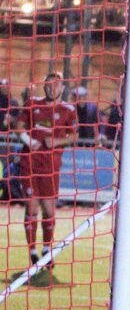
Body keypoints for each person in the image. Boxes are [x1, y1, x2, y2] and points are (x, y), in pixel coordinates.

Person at [13, 72, 77, 267]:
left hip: (51, 166)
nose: (52, 88)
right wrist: (28, 141)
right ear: (44, 86)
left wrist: (57, 141)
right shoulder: (33, 103)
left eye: (56, 85)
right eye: (49, 85)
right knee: (32, 206)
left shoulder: (68, 110)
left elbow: (74, 136)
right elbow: (17, 126)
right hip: (30, 163)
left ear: (62, 88)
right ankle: (32, 252)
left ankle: (47, 250)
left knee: (49, 211)